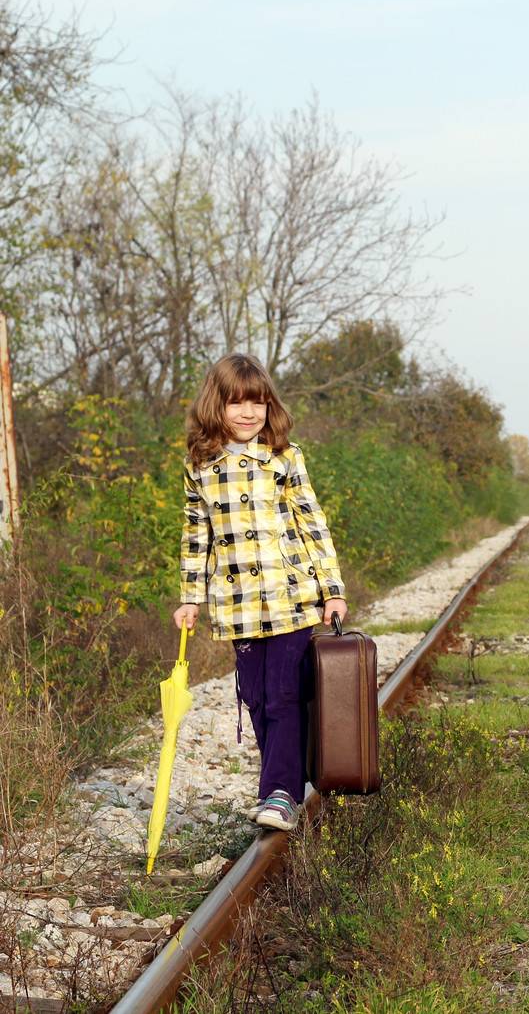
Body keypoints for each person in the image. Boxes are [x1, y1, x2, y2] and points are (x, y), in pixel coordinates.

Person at [171, 353, 348, 832]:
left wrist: (332, 589)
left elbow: (313, 524)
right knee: (254, 695)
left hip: (292, 598)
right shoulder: (200, 466)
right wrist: (191, 596)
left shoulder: (284, 458)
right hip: (238, 605)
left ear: (270, 407)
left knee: (283, 695)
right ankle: (280, 785)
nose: (249, 413)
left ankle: (281, 792)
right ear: (217, 406)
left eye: (258, 403)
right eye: (237, 403)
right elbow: (196, 534)